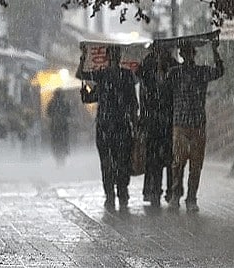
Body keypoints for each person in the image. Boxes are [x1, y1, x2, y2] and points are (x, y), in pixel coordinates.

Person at [76, 45, 138, 212]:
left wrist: (84, 57)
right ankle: (117, 194)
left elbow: (132, 102)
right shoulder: (118, 75)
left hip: (112, 126)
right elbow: (133, 103)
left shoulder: (108, 75)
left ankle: (115, 194)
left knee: (113, 162)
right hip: (114, 126)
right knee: (116, 162)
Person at [166, 39, 224, 212]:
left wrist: (215, 51)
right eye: (184, 52)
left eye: (190, 52)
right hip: (180, 123)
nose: (187, 55)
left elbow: (219, 71)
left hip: (197, 123)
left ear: (193, 54)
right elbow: (162, 84)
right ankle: (176, 194)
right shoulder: (174, 72)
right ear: (182, 54)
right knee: (178, 162)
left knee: (196, 164)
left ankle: (191, 197)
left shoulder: (202, 72)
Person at [137, 44, 179, 208]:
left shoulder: (172, 65)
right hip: (153, 120)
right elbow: (142, 84)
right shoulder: (147, 65)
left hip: (168, 120)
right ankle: (154, 191)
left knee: (169, 159)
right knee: (153, 159)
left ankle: (171, 191)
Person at [47, 88, 71, 166]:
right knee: (63, 143)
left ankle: (58, 159)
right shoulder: (64, 103)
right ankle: (61, 159)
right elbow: (68, 113)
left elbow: (48, 113)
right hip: (62, 127)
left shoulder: (52, 103)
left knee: (57, 143)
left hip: (56, 127)